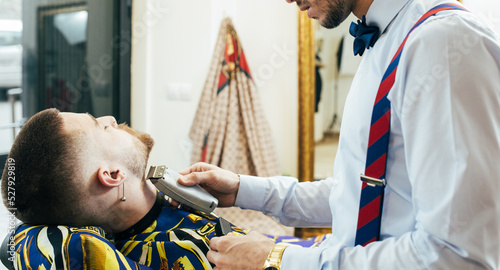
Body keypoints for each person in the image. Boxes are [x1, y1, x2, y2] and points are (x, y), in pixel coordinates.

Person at [178, 0, 500, 269]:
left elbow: (458, 257)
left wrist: (277, 259)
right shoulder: (384, 40)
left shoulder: (443, 43)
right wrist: (241, 189)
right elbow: (359, 194)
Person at [1, 109, 320, 269]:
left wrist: (239, 189)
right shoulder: (181, 253)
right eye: (102, 127)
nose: (111, 118)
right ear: (112, 174)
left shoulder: (162, 198)